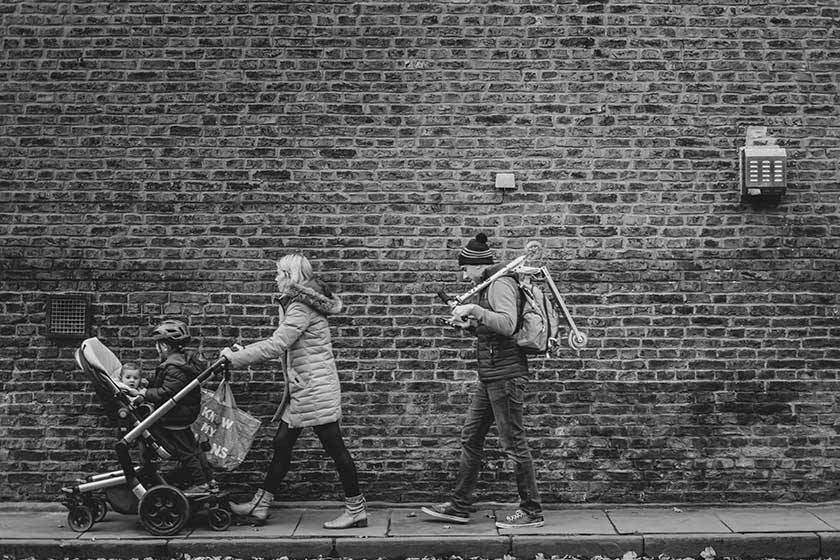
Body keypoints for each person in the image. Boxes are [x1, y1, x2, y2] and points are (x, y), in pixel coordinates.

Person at [220, 253, 366, 529]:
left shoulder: (300, 307)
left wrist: (235, 358)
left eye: (278, 274)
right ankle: (260, 504)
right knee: (282, 444)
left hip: (314, 390)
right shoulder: (299, 304)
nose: (275, 279)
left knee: (335, 449)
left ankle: (356, 509)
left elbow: (277, 344)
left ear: (289, 276)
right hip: (306, 388)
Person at [421, 233, 544, 529]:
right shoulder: (487, 284)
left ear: (478, 265)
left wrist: (474, 310)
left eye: (465, 268)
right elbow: (491, 331)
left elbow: (507, 324)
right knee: (471, 437)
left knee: (513, 443)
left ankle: (531, 511)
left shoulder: (500, 283)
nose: (464, 274)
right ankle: (459, 505)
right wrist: (470, 326)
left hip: (506, 376)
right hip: (490, 375)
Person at [118, 319, 211, 495]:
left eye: (157, 345)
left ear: (164, 346)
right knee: (193, 449)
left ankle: (201, 484)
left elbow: (165, 392)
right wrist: (148, 382)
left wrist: (144, 393)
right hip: (184, 412)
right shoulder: (179, 362)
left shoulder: (173, 366)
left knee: (185, 452)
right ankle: (210, 480)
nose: (157, 349)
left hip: (176, 415)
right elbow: (168, 384)